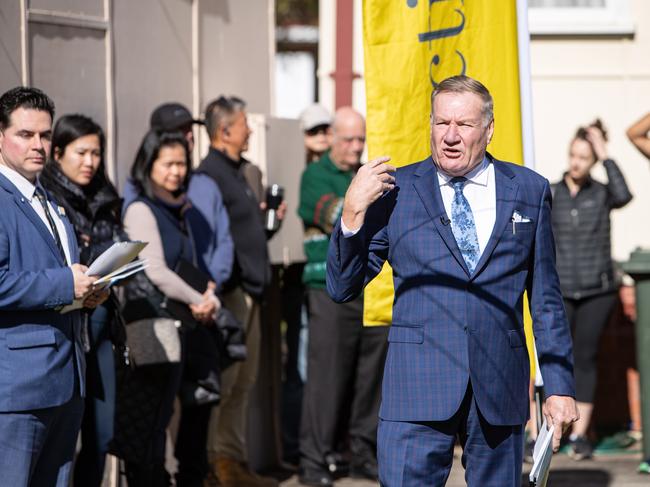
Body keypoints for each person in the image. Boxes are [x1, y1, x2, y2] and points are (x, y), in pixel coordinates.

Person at [326, 75, 578, 486]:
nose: (450, 136)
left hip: (498, 387)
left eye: (463, 125)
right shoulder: (396, 191)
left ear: (489, 129)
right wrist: (352, 215)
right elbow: (342, 287)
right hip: (416, 388)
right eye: (442, 123)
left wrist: (559, 386)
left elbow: (546, 300)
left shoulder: (528, 191)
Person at [0, 87, 106, 485]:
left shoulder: (49, 199)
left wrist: (88, 293)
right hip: (19, 388)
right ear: (0, 136)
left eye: (45, 136)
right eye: (25, 135)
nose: (38, 145)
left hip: (65, 378)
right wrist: (65, 283)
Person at [121, 130, 219, 485]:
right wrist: (199, 301)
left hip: (184, 328)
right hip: (152, 326)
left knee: (182, 416)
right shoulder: (140, 209)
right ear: (148, 166)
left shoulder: (181, 210)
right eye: (168, 164)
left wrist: (210, 298)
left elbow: (189, 269)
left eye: (181, 164)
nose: (177, 171)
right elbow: (156, 270)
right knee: (149, 422)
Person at [297, 107, 388, 486]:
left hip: (372, 290)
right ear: (332, 138)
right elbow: (338, 213)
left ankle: (363, 455)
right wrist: (366, 203)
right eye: (348, 139)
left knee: (370, 380)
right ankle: (313, 460)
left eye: (360, 139)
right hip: (327, 290)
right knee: (327, 379)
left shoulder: (364, 173)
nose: (355, 147)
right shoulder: (315, 175)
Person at [199, 95, 284, 487]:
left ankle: (232, 462)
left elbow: (246, 234)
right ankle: (216, 465)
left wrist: (270, 224)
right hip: (231, 293)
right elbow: (211, 238)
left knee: (244, 382)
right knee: (227, 382)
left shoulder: (240, 171)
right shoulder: (209, 175)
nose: (250, 129)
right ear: (224, 130)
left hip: (251, 290)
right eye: (244, 123)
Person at [40, 114, 127, 486]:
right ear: (57, 153)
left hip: (102, 323)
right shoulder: (47, 199)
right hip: (64, 326)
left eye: (96, 152)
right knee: (60, 437)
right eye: (81, 152)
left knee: (103, 433)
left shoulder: (105, 197)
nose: (90, 161)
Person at [551, 120, 632, 459]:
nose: (576, 162)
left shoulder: (601, 193)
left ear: (593, 160)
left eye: (584, 157)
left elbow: (624, 194)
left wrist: (605, 153)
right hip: (561, 289)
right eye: (573, 155)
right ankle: (549, 432)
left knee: (585, 360)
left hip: (596, 291)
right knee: (554, 359)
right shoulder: (552, 192)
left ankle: (579, 436)